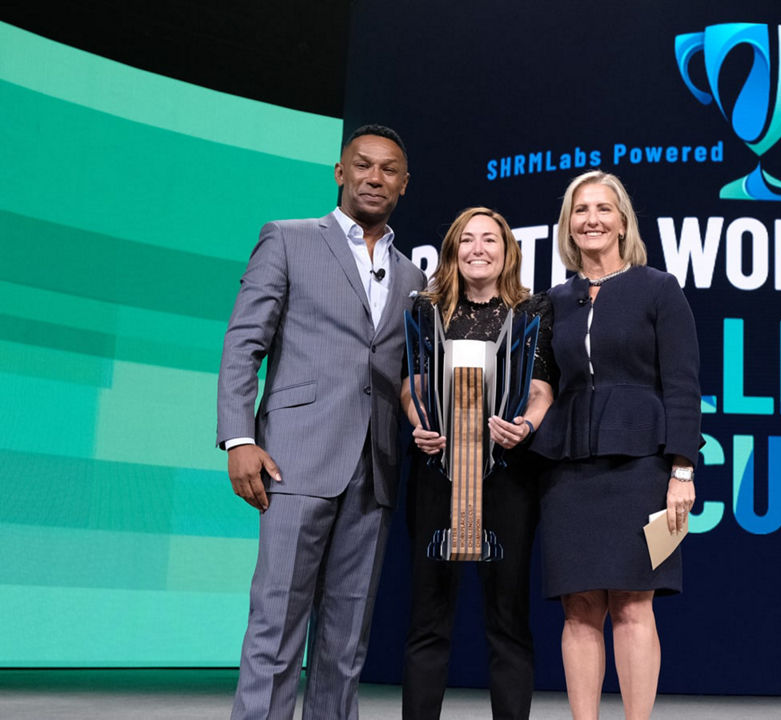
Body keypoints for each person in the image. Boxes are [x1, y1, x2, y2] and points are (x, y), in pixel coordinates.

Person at [216, 124, 422, 720]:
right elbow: (243, 344)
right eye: (363, 166)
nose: (374, 177)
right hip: (295, 457)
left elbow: (404, 374)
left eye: (388, 170)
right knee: (276, 626)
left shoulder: (413, 278)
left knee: (345, 641)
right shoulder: (287, 239)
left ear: (404, 185)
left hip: (376, 468)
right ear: (340, 172)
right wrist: (239, 437)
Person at [531, 170, 701, 720]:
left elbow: (682, 383)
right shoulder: (553, 302)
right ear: (568, 225)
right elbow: (544, 387)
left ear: (623, 221)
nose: (592, 220)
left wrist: (682, 470)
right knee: (579, 607)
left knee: (633, 602)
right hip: (569, 468)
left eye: (603, 209)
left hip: (642, 467)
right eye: (580, 211)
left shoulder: (659, 288)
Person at [401, 207, 556, 720]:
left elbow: (540, 388)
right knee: (429, 616)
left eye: (490, 240)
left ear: (507, 251)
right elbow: (413, 382)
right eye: (466, 240)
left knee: (508, 618)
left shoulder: (534, 310)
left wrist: (526, 427)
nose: (478, 249)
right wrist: (418, 420)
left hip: (509, 476)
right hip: (436, 471)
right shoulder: (426, 309)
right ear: (452, 251)